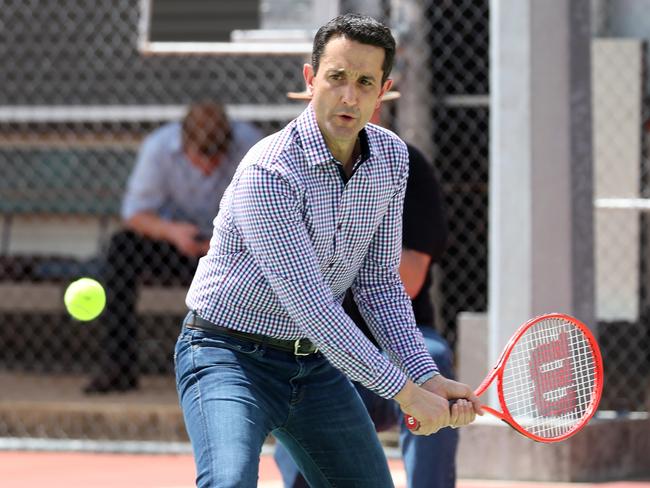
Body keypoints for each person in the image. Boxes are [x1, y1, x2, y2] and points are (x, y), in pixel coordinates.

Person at [175, 14, 482, 487]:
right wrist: (406, 392)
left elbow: (380, 284)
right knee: (229, 481)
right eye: (336, 78)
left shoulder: (393, 159)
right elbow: (312, 308)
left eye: (364, 82)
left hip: (313, 366)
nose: (349, 96)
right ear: (310, 78)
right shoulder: (270, 171)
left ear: (383, 91)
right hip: (227, 354)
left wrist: (426, 375)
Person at [274, 90, 458, 488]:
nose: (348, 103)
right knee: (299, 380)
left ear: (379, 101)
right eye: (334, 88)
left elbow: (405, 280)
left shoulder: (405, 165)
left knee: (434, 357)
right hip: (315, 347)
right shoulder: (280, 171)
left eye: (364, 88)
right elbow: (298, 299)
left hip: (393, 342)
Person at [83, 101, 263, 394]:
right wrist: (172, 232)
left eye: (215, 159)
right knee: (121, 247)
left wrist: (223, 240)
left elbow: (266, 213)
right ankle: (118, 369)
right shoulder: (158, 148)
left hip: (235, 247)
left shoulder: (252, 146)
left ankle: (250, 369)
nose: (207, 168)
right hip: (177, 244)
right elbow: (135, 214)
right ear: (184, 144)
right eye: (199, 159)